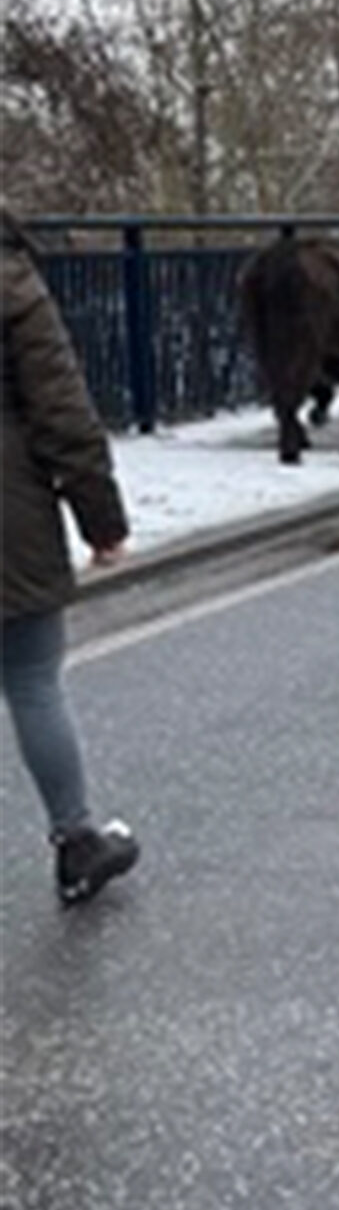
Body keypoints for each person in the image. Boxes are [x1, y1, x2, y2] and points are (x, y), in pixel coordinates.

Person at [2, 212, 141, 905]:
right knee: (31, 679)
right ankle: (76, 842)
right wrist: (102, 521)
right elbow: (61, 413)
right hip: (8, 515)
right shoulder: (11, 279)